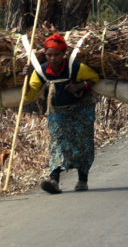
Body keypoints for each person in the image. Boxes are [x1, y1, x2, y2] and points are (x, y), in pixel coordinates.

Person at [24, 33, 100, 194]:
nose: (52, 58)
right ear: (45, 55)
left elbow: (94, 77)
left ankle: (82, 180)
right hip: (58, 112)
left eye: (56, 55)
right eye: (49, 55)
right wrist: (25, 78)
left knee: (83, 144)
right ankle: (54, 180)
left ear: (63, 54)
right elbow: (30, 95)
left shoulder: (75, 67)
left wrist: (80, 86)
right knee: (57, 144)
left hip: (81, 110)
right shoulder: (41, 71)